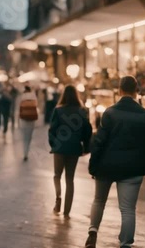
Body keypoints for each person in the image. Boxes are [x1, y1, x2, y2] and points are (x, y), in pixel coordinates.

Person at [85, 76, 145, 248]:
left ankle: (92, 232)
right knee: (128, 210)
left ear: (119, 90)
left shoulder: (110, 112)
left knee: (99, 200)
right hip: (133, 169)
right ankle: (126, 244)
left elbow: (99, 142)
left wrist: (93, 165)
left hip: (107, 165)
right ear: (137, 91)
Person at [48, 85, 92, 219]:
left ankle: (58, 198)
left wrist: (54, 144)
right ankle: (67, 211)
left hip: (59, 148)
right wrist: (85, 147)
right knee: (70, 179)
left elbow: (52, 130)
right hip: (74, 148)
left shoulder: (58, 110)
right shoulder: (83, 111)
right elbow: (87, 131)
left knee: (57, 175)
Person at [19, 86, 38, 161]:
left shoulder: (22, 96)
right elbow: (36, 106)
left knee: (24, 137)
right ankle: (27, 151)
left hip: (23, 118)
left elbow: (20, 108)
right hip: (32, 118)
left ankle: (25, 153)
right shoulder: (33, 96)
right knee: (29, 136)